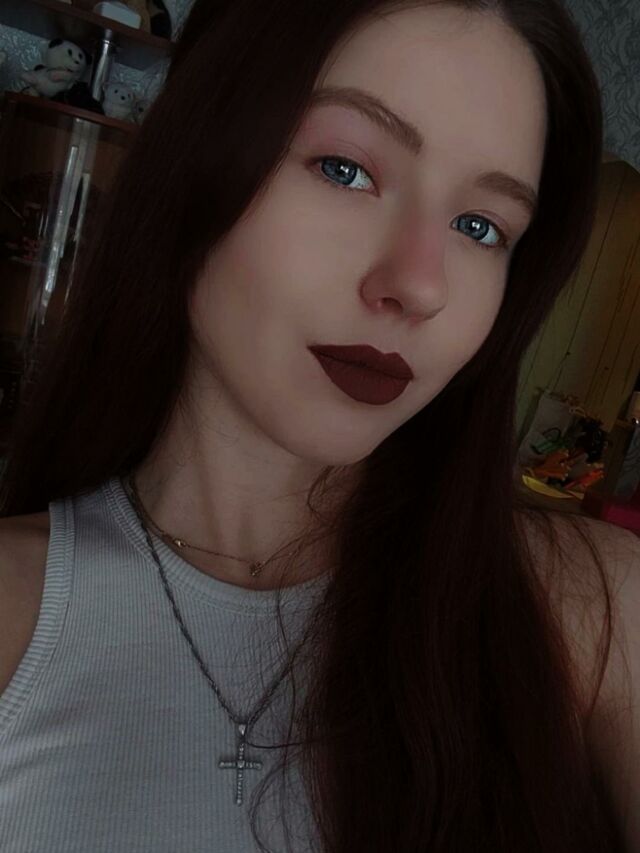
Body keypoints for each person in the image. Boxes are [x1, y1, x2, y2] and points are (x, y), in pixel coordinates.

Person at [0, 0, 638, 850]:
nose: (421, 285)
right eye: (344, 169)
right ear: (196, 150)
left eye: (480, 227)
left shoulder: (597, 609)